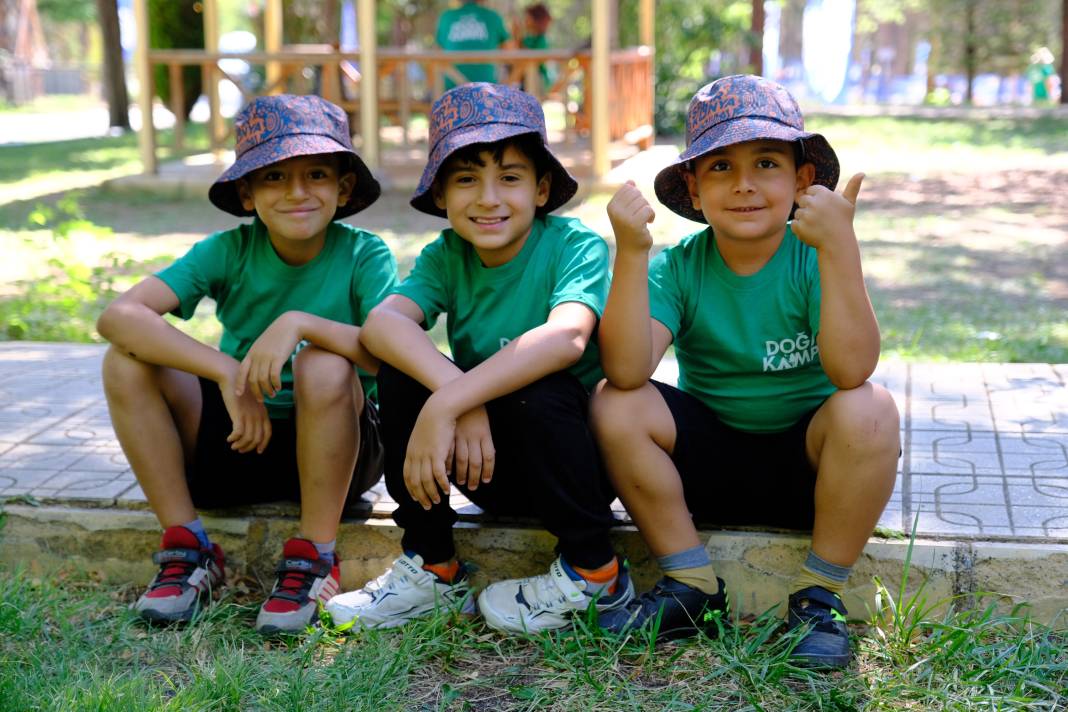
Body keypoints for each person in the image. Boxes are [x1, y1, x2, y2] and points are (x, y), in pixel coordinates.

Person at [591, 75, 900, 668]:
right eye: (721, 168)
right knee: (614, 400)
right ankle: (692, 587)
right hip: (708, 472)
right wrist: (630, 254)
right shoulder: (680, 268)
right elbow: (627, 371)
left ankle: (819, 598)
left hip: (811, 477)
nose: (745, 185)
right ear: (694, 188)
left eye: (766, 163)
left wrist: (840, 249)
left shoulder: (813, 257)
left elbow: (852, 368)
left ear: (802, 180)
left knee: (870, 406)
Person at [326, 82, 632, 634]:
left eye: (509, 178)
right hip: (481, 461)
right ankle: (433, 569)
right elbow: (381, 324)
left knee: (543, 383)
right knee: (401, 371)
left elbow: (567, 339)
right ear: (441, 195)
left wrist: (452, 401)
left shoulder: (574, 245)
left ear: (541, 189)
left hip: (574, 468)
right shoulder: (446, 257)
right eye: (466, 179)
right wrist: (450, 397)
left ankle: (596, 572)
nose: (488, 198)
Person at [97, 94, 397, 634]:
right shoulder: (228, 250)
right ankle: (188, 548)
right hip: (240, 438)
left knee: (323, 365)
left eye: (316, 174)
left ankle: (314, 556)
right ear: (247, 192)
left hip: (337, 452)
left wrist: (300, 324)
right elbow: (120, 316)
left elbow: (392, 349)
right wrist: (226, 374)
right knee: (125, 362)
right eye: (275, 177)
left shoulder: (364, 254)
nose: (297, 192)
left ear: (343, 187)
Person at [435, 0, 511, 89]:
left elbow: (437, 51)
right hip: (486, 89)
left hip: (451, 89)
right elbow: (510, 51)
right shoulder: (493, 16)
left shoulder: (446, 17)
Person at [515, 3, 554, 94]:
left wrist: (518, 37)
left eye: (528, 18)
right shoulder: (527, 38)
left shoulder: (542, 40)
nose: (525, 20)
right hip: (523, 81)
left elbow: (531, 58)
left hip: (536, 81)